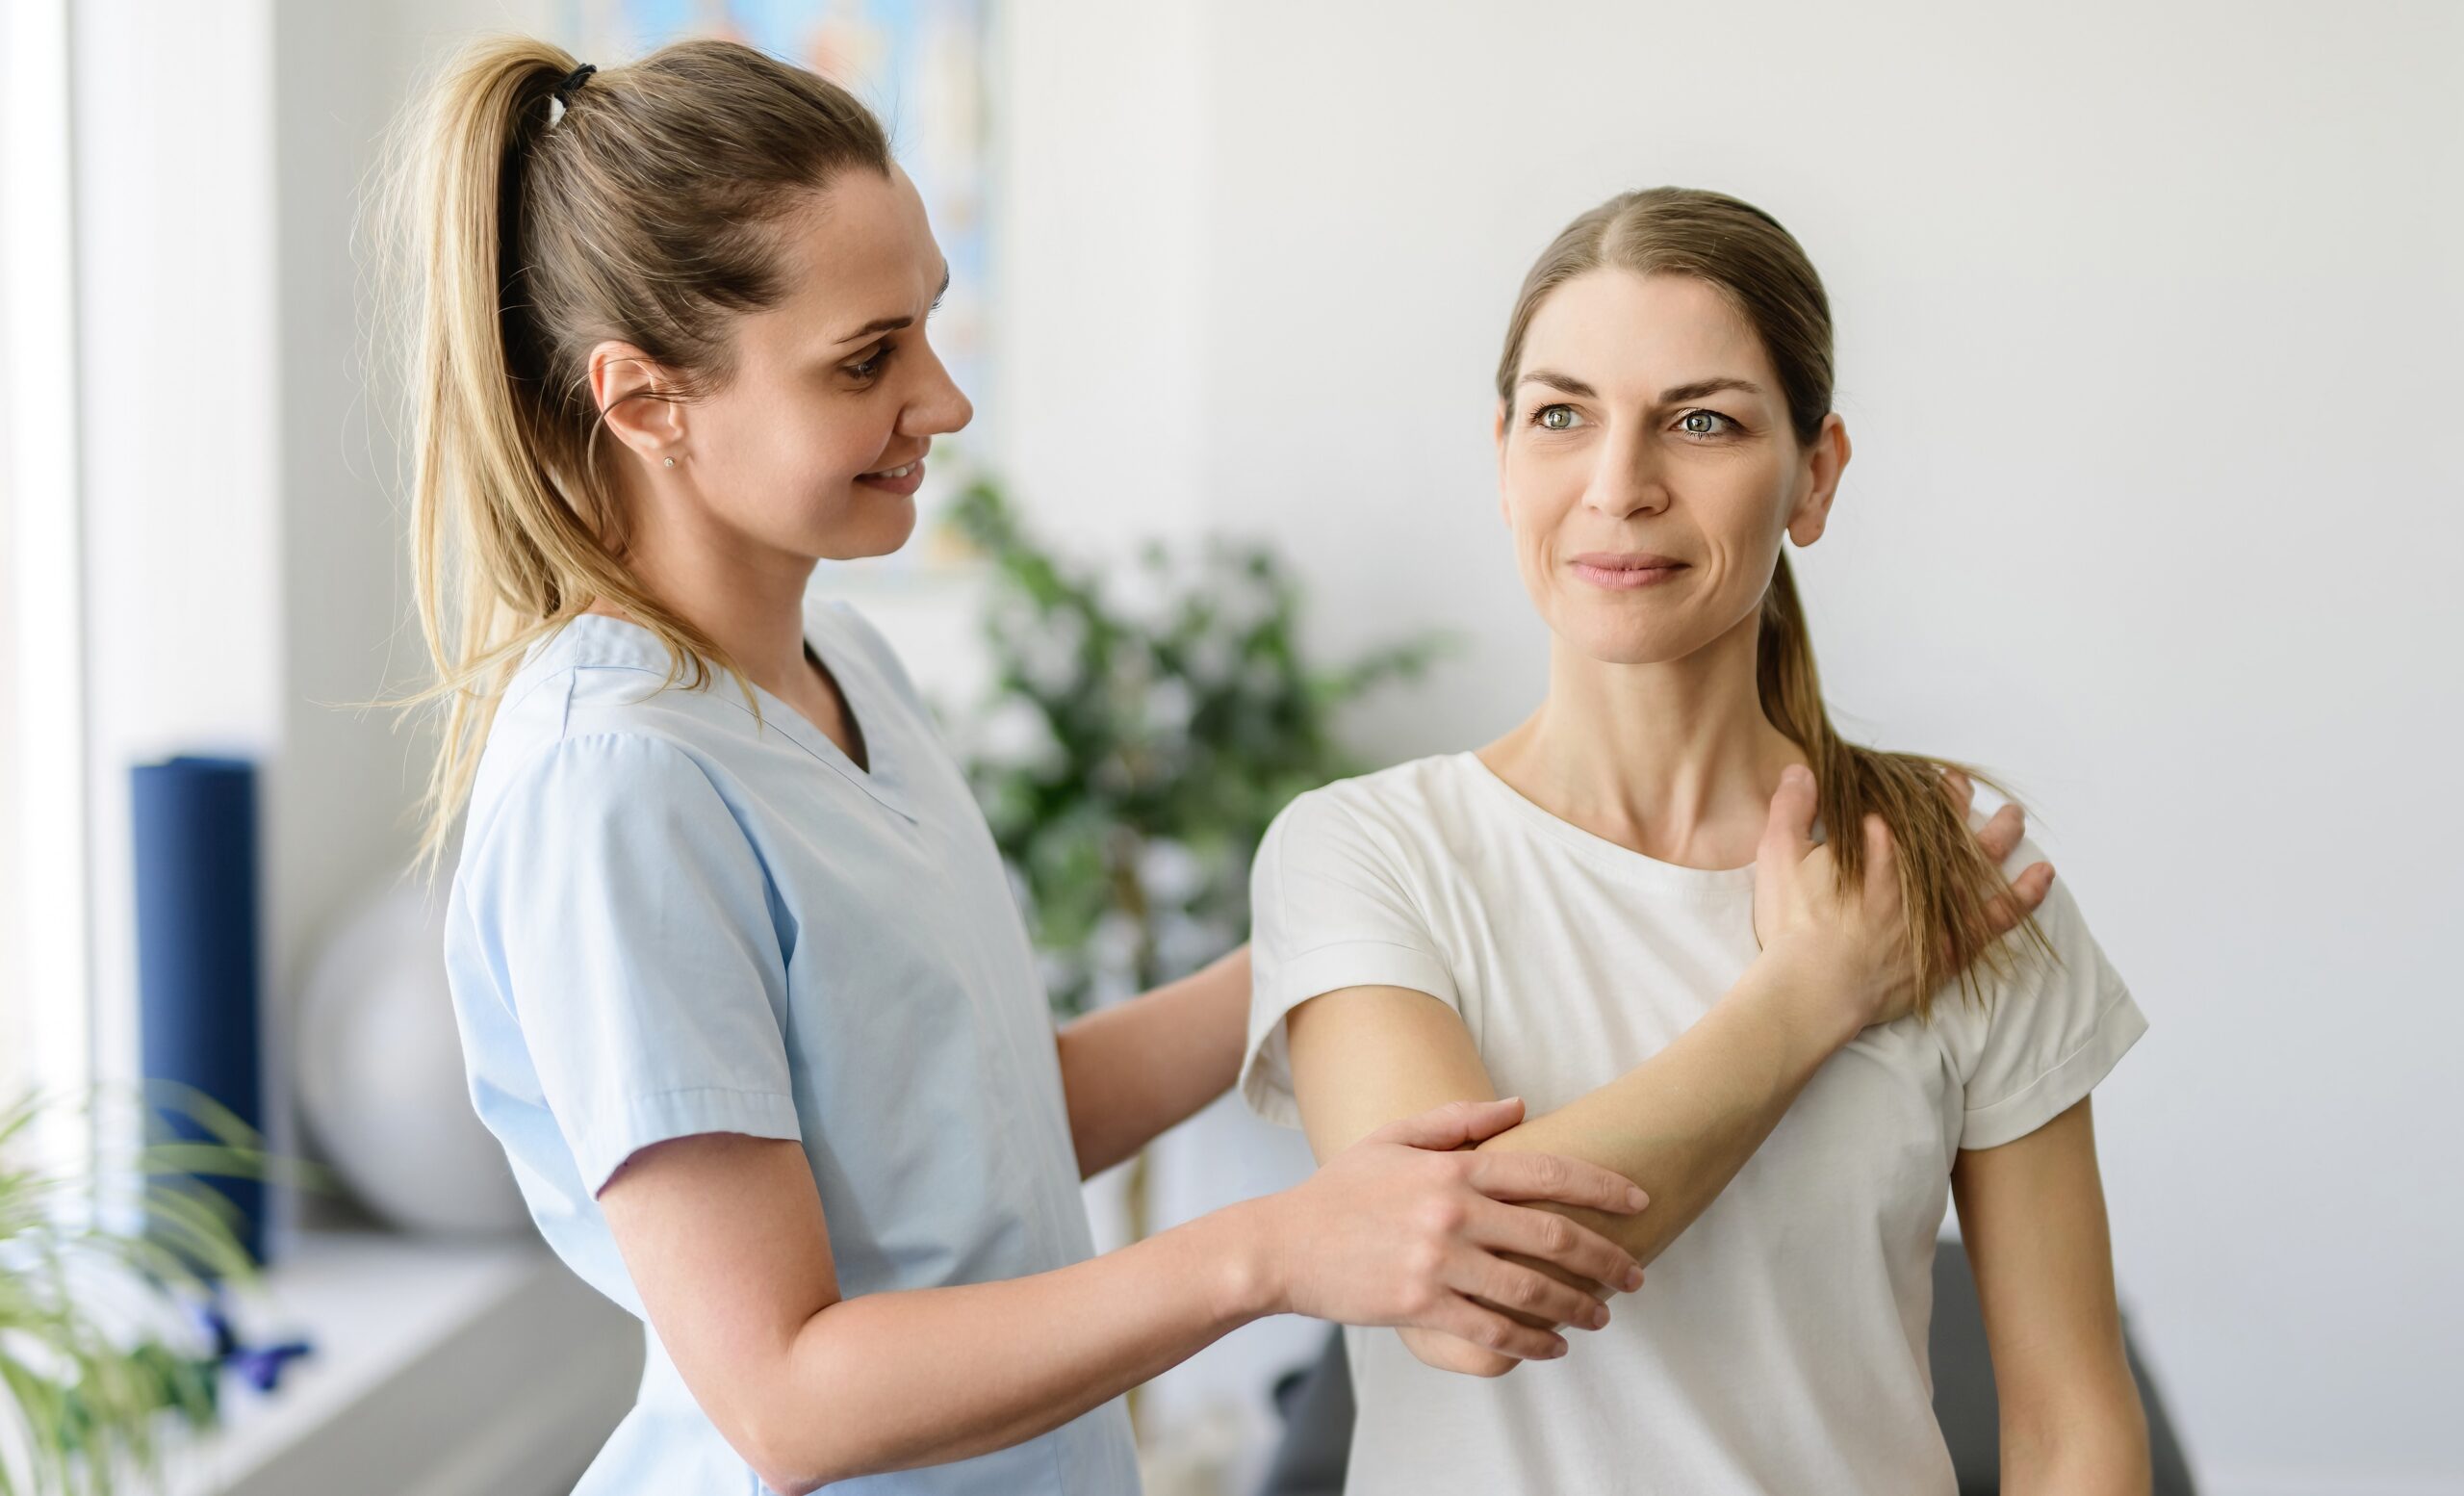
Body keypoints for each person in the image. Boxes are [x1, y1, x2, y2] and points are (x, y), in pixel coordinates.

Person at [403, 38, 1660, 1496]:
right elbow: (787, 1397)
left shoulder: (840, 666)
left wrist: (1350, 932)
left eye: (930, 324)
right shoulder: (616, 788)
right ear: (646, 402)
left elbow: (989, 1126)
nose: (944, 400)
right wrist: (1275, 1247)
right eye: (867, 359)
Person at [1243, 187, 2152, 1494]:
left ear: (1815, 475)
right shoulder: (1365, 851)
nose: (1620, 485)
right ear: (1504, 456)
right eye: (1563, 415)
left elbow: (2073, 1431)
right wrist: (1813, 992)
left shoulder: (1951, 865)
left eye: (1703, 421)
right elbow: (1466, 1291)